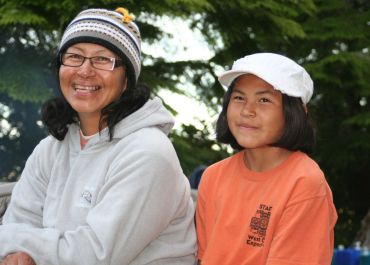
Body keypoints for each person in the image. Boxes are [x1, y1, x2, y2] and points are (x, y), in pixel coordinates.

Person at [0, 7, 197, 265]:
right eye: (74, 57)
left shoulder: (148, 152)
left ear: (126, 79)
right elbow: (14, 225)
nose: (84, 71)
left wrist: (31, 252)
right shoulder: (50, 149)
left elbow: (94, 255)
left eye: (103, 59)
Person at [195, 53, 337, 265]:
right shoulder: (213, 176)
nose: (247, 110)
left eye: (264, 100)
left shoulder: (304, 182)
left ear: (297, 112)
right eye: (239, 97)